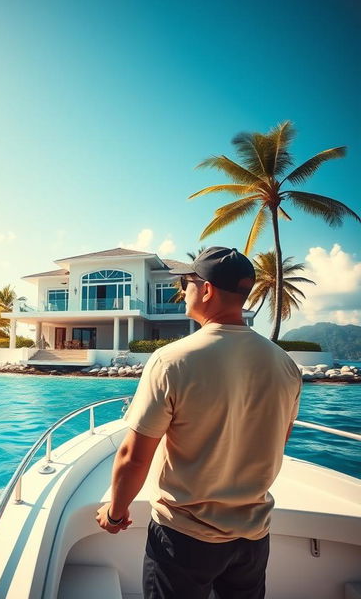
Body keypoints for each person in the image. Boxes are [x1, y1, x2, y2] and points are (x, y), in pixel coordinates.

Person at [95, 246, 302, 599]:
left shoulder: (172, 361)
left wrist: (115, 514)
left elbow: (134, 455)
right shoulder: (285, 365)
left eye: (187, 282)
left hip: (183, 538)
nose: (183, 291)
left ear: (205, 290)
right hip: (253, 537)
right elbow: (278, 442)